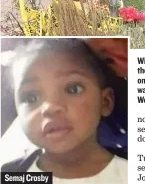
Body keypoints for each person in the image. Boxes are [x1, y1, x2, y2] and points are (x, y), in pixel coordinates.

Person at [1, 38, 128, 182]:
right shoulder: (13, 174)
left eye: (72, 89)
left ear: (105, 102)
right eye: (31, 97)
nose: (50, 107)